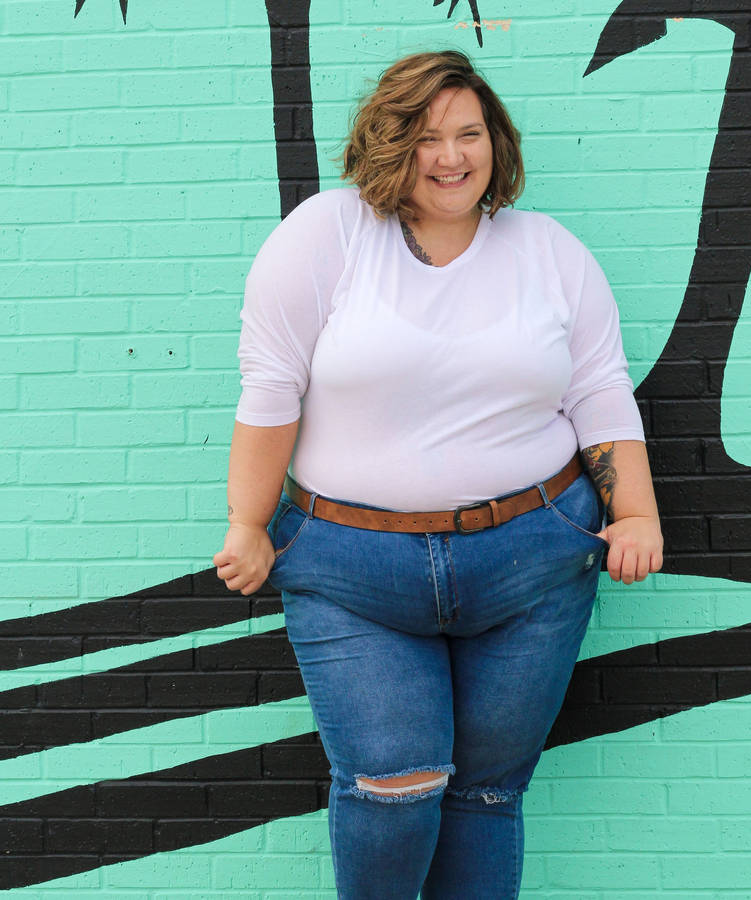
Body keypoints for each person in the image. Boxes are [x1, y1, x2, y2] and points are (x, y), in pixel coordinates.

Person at [213, 49, 663, 900]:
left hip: (532, 565)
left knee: (486, 795)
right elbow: (271, 384)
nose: (451, 157)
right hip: (352, 570)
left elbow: (599, 389)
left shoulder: (549, 252)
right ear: (389, 145)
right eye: (425, 138)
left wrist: (634, 513)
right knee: (393, 788)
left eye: (468, 134)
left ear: (495, 142)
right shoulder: (326, 234)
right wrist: (247, 521)